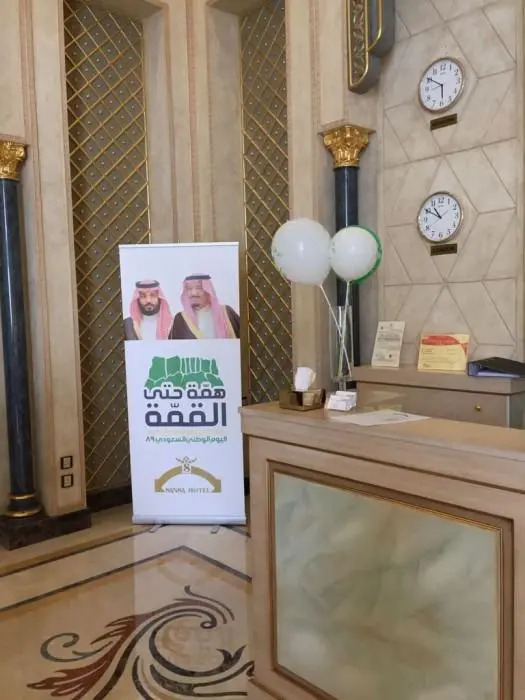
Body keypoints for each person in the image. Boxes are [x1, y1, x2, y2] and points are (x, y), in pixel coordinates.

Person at [169, 274, 240, 339]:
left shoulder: (226, 312)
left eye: (199, 288)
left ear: (208, 291)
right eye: (189, 289)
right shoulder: (180, 318)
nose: (193, 293)